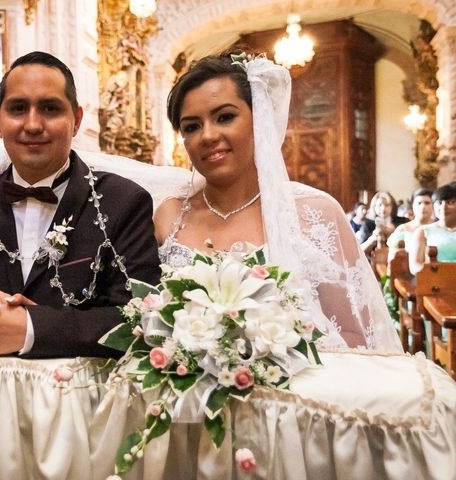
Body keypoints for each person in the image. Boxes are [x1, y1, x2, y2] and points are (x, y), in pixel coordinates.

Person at [0, 51, 160, 359]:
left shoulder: (124, 202)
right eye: (18, 109)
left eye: (50, 109)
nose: (33, 124)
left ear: (76, 120)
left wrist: (31, 328)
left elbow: (138, 317)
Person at [155, 51, 401, 351]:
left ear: (260, 118)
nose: (207, 136)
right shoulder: (170, 215)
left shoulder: (316, 213)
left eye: (225, 117)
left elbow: (357, 336)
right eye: (191, 126)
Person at [409, 182, 456, 274]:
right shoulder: (423, 232)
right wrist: (437, 273)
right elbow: (415, 266)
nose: (443, 207)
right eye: (439, 202)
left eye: (450, 202)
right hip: (435, 281)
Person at [386, 188, 433, 260]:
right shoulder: (403, 229)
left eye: (427, 203)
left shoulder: (439, 227)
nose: (423, 207)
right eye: (419, 203)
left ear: (433, 205)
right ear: (413, 206)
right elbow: (392, 257)